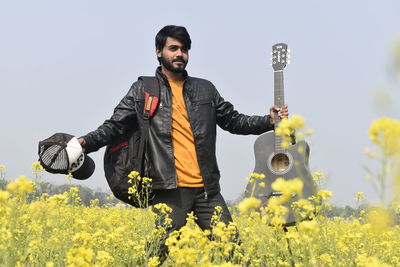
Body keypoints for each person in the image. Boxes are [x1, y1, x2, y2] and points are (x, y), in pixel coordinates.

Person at [78, 25, 288, 263]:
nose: (180, 54)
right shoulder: (144, 89)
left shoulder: (205, 89)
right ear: (159, 52)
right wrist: (85, 143)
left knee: (234, 252)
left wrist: (268, 120)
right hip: (169, 189)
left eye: (184, 49)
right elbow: (115, 125)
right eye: (173, 48)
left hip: (207, 190)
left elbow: (233, 120)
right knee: (156, 255)